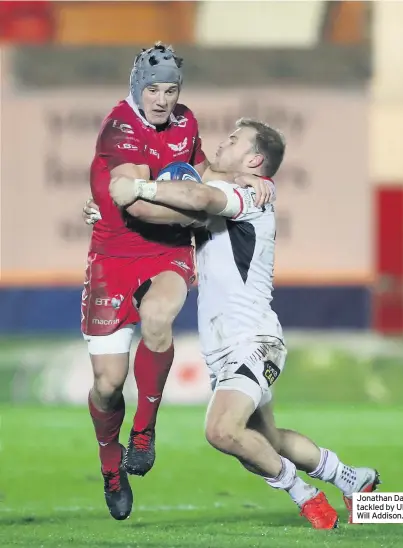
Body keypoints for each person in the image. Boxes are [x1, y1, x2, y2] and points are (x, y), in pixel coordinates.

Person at [108, 117, 380, 529]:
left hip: (252, 341)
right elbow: (165, 210)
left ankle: (305, 495)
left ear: (254, 158)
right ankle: (351, 478)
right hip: (228, 348)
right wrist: (111, 209)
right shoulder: (230, 187)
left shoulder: (246, 196)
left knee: (221, 430)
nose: (223, 142)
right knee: (264, 443)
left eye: (234, 140)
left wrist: (140, 187)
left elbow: (197, 196)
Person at [83, 42, 273, 521]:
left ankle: (144, 431)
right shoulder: (120, 127)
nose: (163, 100)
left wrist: (246, 177)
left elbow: (203, 170)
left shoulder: (184, 122)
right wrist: (195, 216)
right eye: (154, 90)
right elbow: (139, 205)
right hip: (113, 256)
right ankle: (111, 465)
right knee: (107, 385)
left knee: (160, 315)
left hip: (164, 251)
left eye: (171, 90)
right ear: (137, 89)